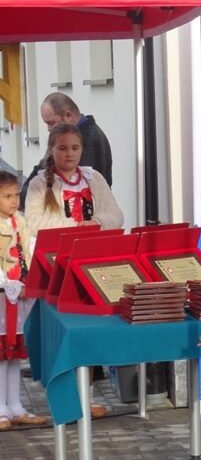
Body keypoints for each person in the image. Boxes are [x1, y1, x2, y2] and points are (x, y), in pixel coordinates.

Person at [23, 123, 123, 419]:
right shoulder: (40, 183)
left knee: (86, 332)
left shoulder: (94, 178)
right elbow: (35, 222)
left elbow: (115, 214)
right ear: (52, 149)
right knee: (61, 334)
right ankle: (63, 398)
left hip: (91, 262)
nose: (69, 154)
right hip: (56, 266)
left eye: (75, 148)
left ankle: (86, 397)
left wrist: (98, 222)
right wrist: (76, 226)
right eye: (63, 148)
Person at [0, 171, 48, 430]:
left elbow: (29, 250)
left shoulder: (19, 222)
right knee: (0, 354)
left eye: (16, 195)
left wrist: (33, 277)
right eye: (7, 196)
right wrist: (11, 285)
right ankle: (0, 408)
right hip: (2, 298)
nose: (14, 200)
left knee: (13, 355)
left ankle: (15, 406)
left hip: (18, 298)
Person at [20, 92, 114, 209]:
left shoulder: (89, 141)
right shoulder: (66, 137)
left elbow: (78, 188)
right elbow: (41, 167)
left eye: (51, 123)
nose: (49, 129)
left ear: (68, 116)